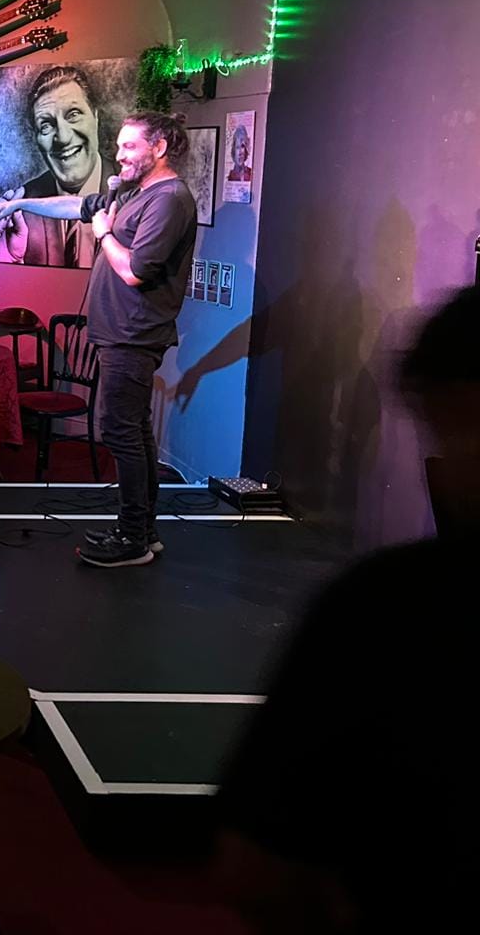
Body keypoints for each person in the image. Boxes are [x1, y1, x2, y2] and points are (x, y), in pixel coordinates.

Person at [217, 289, 475, 933]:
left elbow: (257, 866)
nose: (443, 460)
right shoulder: (383, 604)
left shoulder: (387, 610)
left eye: (455, 427)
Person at [0, 110, 197, 566]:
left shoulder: (169, 199)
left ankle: (133, 538)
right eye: (117, 146)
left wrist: (104, 235)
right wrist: (18, 205)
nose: (119, 155)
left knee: (119, 432)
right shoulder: (135, 193)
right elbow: (73, 206)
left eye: (129, 146)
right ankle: (142, 529)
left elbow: (135, 271)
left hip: (133, 335)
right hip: (119, 333)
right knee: (133, 430)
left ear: (159, 147)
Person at [0, 64, 116, 268]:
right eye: (46, 125)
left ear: (96, 117)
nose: (63, 138)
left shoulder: (133, 194)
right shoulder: (20, 206)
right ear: (36, 139)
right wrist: (8, 260)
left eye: (74, 114)